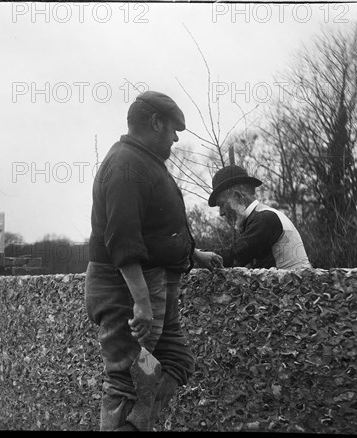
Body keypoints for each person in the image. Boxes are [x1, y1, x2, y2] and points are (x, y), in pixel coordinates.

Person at [84, 90, 222, 431]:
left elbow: (156, 228)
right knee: (126, 381)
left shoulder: (143, 161)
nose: (176, 137)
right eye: (173, 128)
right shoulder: (126, 164)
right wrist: (141, 302)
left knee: (175, 361)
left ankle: (133, 427)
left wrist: (193, 254)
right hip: (126, 288)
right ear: (156, 122)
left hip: (156, 282)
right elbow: (122, 238)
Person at [198, 164, 311, 270]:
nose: (221, 213)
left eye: (222, 204)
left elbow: (234, 257)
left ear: (237, 196)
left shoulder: (265, 219)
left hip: (293, 288)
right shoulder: (262, 216)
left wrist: (194, 254)